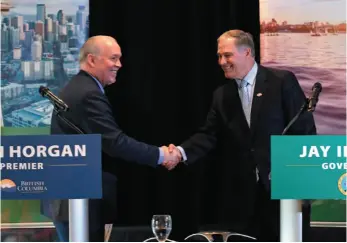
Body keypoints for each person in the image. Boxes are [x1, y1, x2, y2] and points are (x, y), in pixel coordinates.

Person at [164, 29, 316, 241]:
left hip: (284, 190)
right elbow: (208, 135)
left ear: (247, 53)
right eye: (219, 56)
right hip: (244, 197)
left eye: (227, 55)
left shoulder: (281, 81)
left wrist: (301, 179)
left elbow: (304, 130)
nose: (221, 61)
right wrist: (179, 153)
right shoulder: (222, 95)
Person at [40, 35, 178, 242]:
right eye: (113, 58)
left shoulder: (81, 88)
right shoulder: (88, 94)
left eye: (119, 59)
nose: (119, 65)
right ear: (92, 60)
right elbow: (114, 142)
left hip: (70, 197)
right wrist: (161, 154)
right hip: (77, 199)